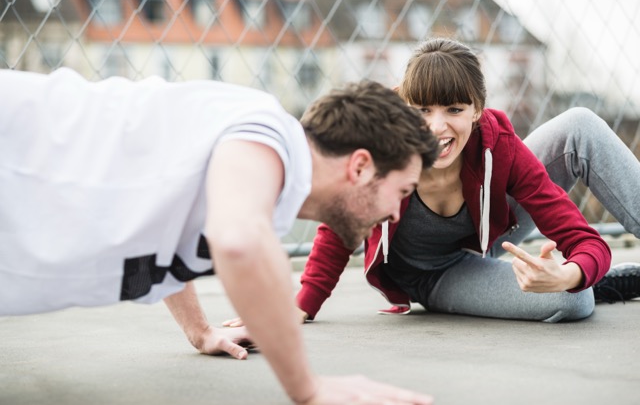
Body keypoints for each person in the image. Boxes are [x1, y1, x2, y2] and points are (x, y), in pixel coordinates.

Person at [0, 67, 439, 404]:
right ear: (360, 166)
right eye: (400, 192)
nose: (395, 211)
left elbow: (172, 230)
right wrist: (308, 389)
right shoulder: (265, 132)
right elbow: (239, 243)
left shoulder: (260, 177)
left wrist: (199, 331)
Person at [275, 37, 640, 326]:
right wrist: (301, 305)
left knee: (579, 123)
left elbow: (584, 239)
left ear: (478, 109)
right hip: (437, 275)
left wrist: (572, 270)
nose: (437, 127)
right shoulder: (383, 148)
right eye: (422, 111)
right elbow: (340, 225)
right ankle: (597, 284)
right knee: (573, 299)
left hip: (493, 236)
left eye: (454, 109)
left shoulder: (500, 147)